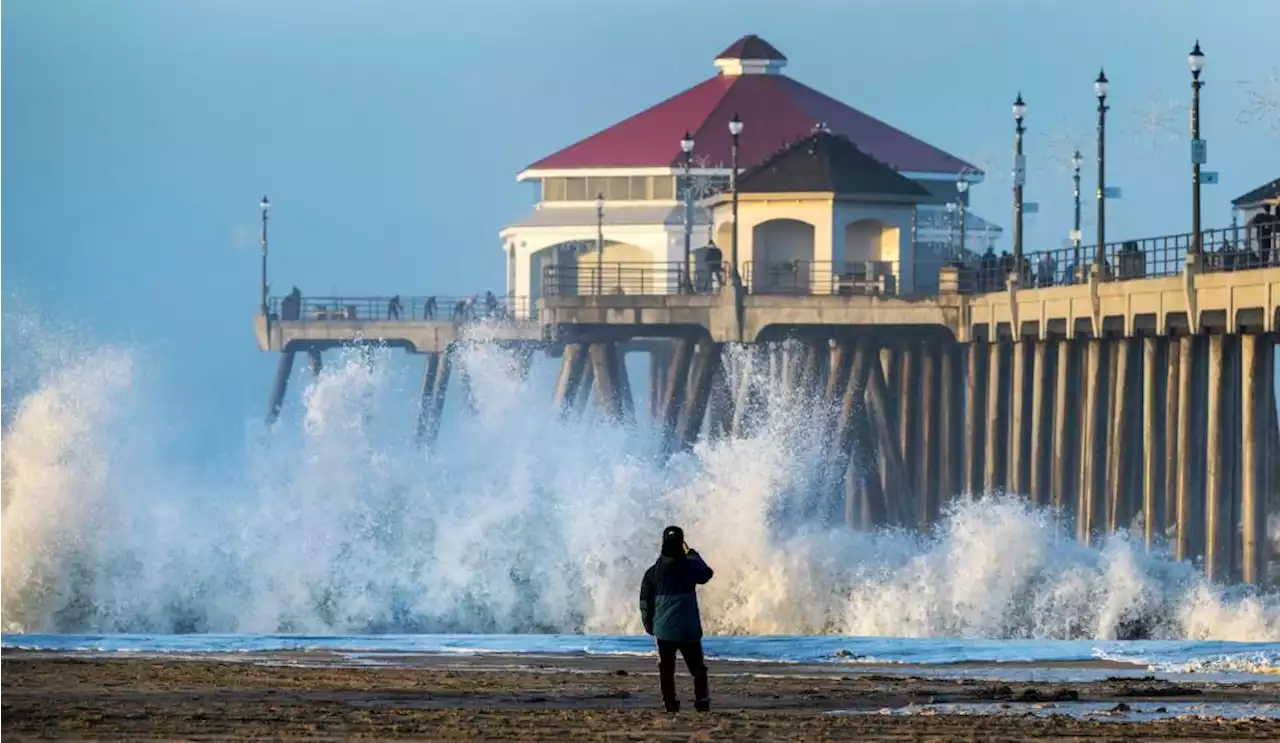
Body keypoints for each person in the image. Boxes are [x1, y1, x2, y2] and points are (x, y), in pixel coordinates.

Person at [639, 525, 714, 713]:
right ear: (682, 543)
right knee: (697, 668)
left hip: (664, 630)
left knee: (666, 668)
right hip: (689, 629)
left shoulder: (652, 572)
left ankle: (670, 703)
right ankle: (702, 701)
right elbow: (707, 574)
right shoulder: (690, 566)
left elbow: (645, 603)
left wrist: (649, 626)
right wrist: (694, 555)